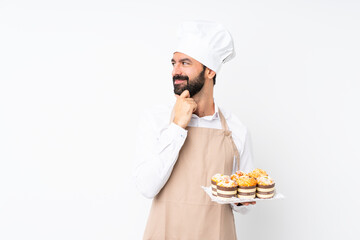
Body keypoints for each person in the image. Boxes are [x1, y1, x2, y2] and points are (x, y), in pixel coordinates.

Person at [134, 20, 256, 240]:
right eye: (173, 63)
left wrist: (241, 199)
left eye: (185, 63)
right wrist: (177, 127)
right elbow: (146, 186)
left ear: (210, 71)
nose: (175, 71)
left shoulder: (236, 128)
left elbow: (245, 204)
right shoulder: (157, 119)